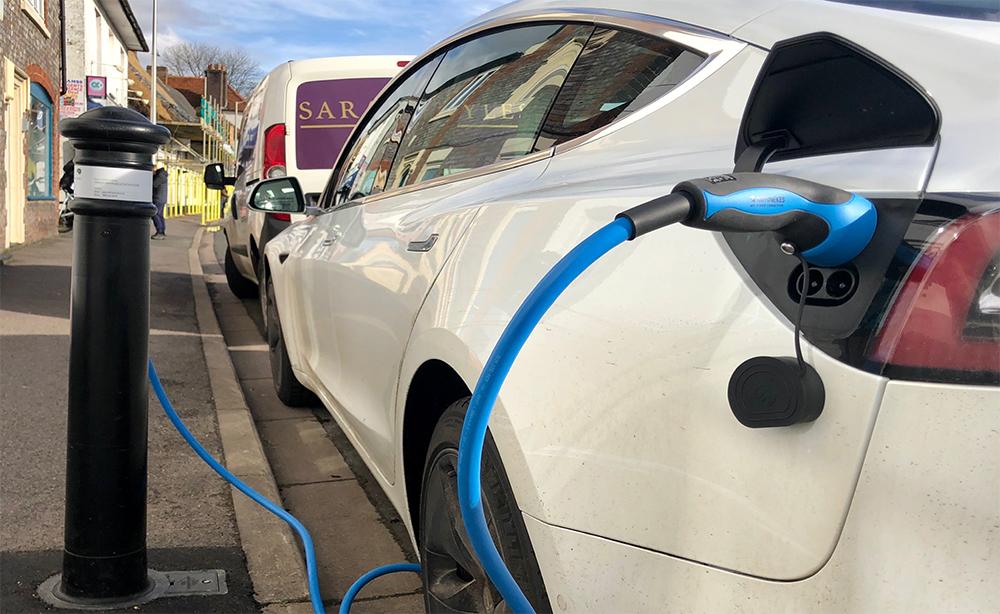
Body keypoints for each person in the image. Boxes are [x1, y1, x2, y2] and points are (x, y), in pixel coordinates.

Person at [152, 166, 168, 240]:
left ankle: (160, 232)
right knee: (160, 215)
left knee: (155, 214)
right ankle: (162, 231)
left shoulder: (160, 176)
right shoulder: (163, 175)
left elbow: (154, 184)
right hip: (161, 198)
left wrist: (152, 177)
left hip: (158, 198)